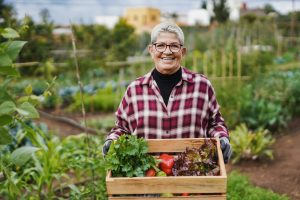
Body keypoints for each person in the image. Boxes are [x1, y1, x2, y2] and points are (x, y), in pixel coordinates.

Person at [102, 21, 232, 164]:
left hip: (193, 178)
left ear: (182, 52)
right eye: (161, 45)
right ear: (151, 50)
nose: (167, 51)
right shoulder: (135, 90)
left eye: (174, 46)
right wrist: (112, 140)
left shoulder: (201, 86)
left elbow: (215, 123)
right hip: (147, 177)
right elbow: (122, 128)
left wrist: (222, 137)